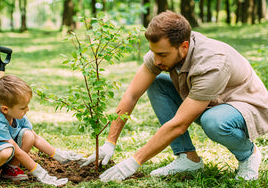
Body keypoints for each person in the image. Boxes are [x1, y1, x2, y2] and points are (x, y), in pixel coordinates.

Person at [81, 10, 268, 182]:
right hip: (209, 100)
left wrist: (134, 161)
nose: (156, 60)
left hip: (244, 104)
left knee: (214, 121)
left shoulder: (212, 63)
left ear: (184, 47)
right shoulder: (164, 51)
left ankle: (248, 155)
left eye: (162, 54)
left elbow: (179, 124)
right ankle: (188, 158)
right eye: (154, 52)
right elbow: (132, 94)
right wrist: (110, 142)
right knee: (156, 84)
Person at [0, 74, 85, 188]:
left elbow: (35, 138)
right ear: (5, 109)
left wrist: (58, 155)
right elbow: (17, 151)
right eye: (23, 107)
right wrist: (40, 173)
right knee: (8, 150)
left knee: (29, 135)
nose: (28, 109)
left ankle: (10, 169)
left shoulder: (16, 115)